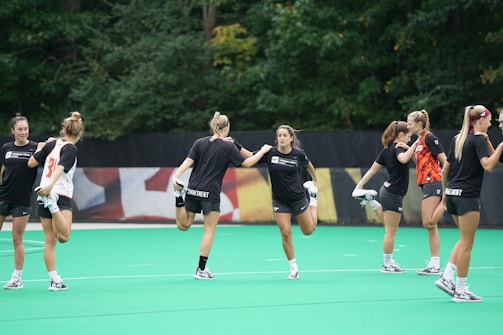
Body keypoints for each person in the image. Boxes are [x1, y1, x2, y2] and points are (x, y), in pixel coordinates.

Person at [172, 111, 272, 280]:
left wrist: (176, 176)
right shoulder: (227, 147)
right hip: (210, 193)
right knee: (209, 231)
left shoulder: (200, 142)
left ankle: (178, 195)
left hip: (193, 189)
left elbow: (188, 162)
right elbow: (247, 163)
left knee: (184, 225)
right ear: (227, 127)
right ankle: (200, 270)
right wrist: (262, 151)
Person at [435, 105, 503, 302]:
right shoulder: (478, 139)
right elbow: (489, 166)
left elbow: (445, 170)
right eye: (490, 120)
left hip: (453, 194)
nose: (492, 124)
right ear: (481, 120)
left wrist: (445, 195)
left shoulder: (460, 138)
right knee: (467, 244)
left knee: (463, 239)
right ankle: (461, 290)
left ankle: (447, 276)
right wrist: (500, 146)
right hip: (467, 196)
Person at [27, 111, 84, 291]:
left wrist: (40, 148)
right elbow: (60, 168)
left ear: (64, 129)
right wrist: (51, 188)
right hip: (58, 194)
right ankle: (52, 204)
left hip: (42, 192)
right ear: (79, 133)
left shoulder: (51, 144)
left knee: (49, 241)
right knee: (64, 237)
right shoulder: (71, 148)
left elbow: (31, 163)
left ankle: (54, 280)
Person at [353, 121, 417, 273]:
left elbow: (372, 170)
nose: (409, 139)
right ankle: (387, 265)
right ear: (400, 135)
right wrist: (414, 146)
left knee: (389, 227)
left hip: (387, 191)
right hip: (393, 193)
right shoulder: (397, 148)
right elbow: (403, 159)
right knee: (391, 231)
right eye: (408, 136)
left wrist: (359, 186)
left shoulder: (387, 149)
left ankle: (371, 201)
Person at [254, 125, 318, 280]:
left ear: (291, 138)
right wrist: (235, 144)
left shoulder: (298, 154)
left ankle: (313, 198)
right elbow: (249, 156)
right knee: (286, 233)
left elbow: (308, 164)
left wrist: (314, 179)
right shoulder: (270, 153)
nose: (281, 138)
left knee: (308, 231)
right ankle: (293, 268)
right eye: (279, 135)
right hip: (279, 200)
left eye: (284, 135)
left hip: (298, 198)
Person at [0, 115, 39, 290]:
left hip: (22, 201)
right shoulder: (6, 148)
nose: (23, 132)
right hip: (3, 197)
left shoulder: (36, 148)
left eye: (26, 128)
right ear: (13, 131)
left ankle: (17, 278)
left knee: (17, 239)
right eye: (20, 129)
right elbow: (3, 168)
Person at [406, 109, 447, 275]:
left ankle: (446, 203)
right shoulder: (419, 140)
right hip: (425, 182)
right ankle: (434, 264)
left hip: (433, 181)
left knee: (427, 222)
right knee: (431, 226)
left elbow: (444, 161)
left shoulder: (430, 138)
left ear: (419, 124)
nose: (408, 126)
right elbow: (421, 162)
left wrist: (445, 183)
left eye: (410, 123)